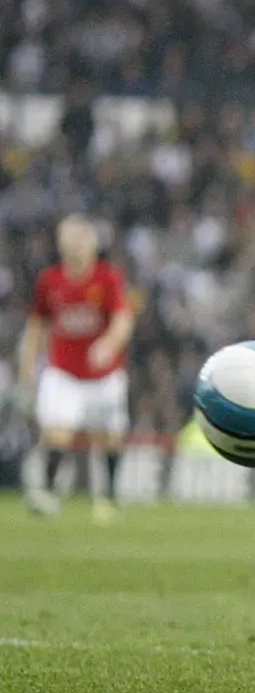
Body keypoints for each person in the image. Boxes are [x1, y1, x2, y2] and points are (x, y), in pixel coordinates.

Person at [18, 216, 136, 524]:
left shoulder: (107, 278)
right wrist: (29, 361)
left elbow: (123, 318)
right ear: (61, 243)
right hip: (64, 372)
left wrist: (109, 343)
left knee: (110, 438)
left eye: (83, 238)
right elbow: (37, 322)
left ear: (94, 244)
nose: (78, 245)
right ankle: (45, 492)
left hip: (104, 375)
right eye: (72, 238)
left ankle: (108, 498)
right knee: (57, 432)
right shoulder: (50, 280)